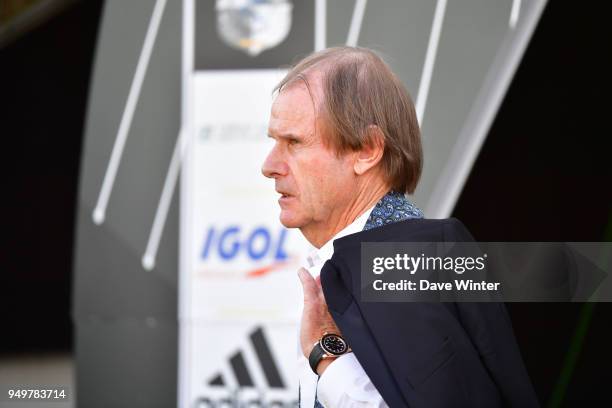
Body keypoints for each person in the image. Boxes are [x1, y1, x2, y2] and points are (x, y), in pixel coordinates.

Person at [262, 46, 538, 408]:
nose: (269, 165)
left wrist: (327, 356)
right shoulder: (370, 259)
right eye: (274, 142)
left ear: (366, 150)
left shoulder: (407, 260)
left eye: (294, 142)